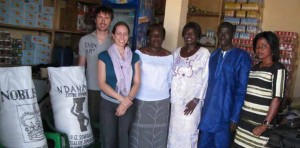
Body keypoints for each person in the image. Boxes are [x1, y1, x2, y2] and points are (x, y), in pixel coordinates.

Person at [198, 22, 252, 148]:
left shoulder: (242, 57)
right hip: (208, 114)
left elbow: (242, 90)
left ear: (233, 34)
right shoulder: (213, 56)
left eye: (226, 33)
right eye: (220, 33)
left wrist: (235, 117)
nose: (222, 36)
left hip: (226, 115)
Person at [233, 31, 287, 148]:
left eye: (264, 46)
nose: (259, 49)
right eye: (257, 46)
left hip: (261, 125)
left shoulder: (278, 69)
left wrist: (265, 125)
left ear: (272, 48)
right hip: (244, 124)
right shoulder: (254, 68)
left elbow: (277, 99)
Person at [97, 21, 141, 148]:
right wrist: (123, 100)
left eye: (125, 34)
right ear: (113, 35)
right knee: (109, 140)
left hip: (128, 104)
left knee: (124, 140)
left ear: (128, 36)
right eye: (119, 34)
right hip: (108, 104)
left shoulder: (135, 57)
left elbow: (137, 82)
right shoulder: (104, 56)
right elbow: (102, 83)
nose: (122, 37)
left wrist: (127, 101)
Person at [129, 24, 172, 148]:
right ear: (148, 37)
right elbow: (132, 76)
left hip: (162, 102)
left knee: (158, 134)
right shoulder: (139, 54)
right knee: (139, 132)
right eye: (153, 35)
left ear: (163, 38)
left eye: (159, 36)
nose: (156, 38)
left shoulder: (169, 56)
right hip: (141, 100)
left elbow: (170, 80)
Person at [167, 22, 210, 147]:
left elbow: (205, 78)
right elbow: (170, 74)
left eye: (192, 33)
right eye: (186, 33)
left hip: (192, 102)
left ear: (198, 36)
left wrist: (196, 100)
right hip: (176, 102)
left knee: (189, 134)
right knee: (174, 134)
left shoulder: (204, 53)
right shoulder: (177, 52)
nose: (188, 36)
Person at [78, 6, 113, 139]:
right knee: (91, 124)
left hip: (111, 89)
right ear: (95, 20)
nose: (103, 21)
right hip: (91, 89)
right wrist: (79, 87)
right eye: (100, 17)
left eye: (106, 18)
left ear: (111, 21)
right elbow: (81, 66)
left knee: (107, 125)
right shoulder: (85, 40)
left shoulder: (115, 41)